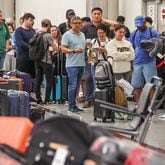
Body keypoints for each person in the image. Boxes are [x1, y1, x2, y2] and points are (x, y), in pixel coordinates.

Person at [81, 7, 114, 108]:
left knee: (102, 79)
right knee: (89, 78)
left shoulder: (106, 26)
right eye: (94, 14)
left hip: (104, 57)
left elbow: (116, 26)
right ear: (91, 15)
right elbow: (83, 41)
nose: (96, 15)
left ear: (101, 15)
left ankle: (100, 99)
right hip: (91, 54)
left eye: (98, 14)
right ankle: (88, 99)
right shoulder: (85, 27)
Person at [130, 15, 159, 103]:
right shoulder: (133, 33)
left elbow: (158, 45)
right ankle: (139, 105)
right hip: (137, 62)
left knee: (151, 84)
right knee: (137, 85)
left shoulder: (152, 32)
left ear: (144, 23)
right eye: (137, 25)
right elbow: (132, 47)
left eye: (141, 25)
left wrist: (151, 50)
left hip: (149, 62)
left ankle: (152, 105)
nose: (139, 27)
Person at [61, 15, 86, 113]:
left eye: (79, 23)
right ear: (71, 24)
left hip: (81, 63)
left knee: (77, 86)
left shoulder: (82, 35)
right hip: (72, 64)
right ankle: (71, 106)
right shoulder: (67, 35)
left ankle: (74, 105)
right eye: (75, 23)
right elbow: (62, 49)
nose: (78, 25)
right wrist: (74, 51)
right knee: (72, 85)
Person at [35, 19, 57, 104]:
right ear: (48, 26)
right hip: (46, 60)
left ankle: (38, 98)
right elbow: (55, 48)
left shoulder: (37, 33)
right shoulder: (48, 35)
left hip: (37, 59)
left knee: (38, 79)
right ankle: (47, 99)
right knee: (49, 80)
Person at [14, 13, 36, 78]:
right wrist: (31, 48)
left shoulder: (33, 31)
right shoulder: (18, 31)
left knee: (32, 78)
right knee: (23, 79)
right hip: (22, 59)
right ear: (25, 20)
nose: (32, 22)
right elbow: (20, 43)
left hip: (32, 59)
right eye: (30, 20)